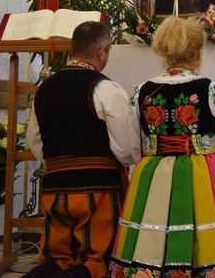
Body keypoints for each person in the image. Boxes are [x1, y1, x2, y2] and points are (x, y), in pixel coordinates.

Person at [108, 16, 215, 277]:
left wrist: (148, 163)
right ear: (199, 51)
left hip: (153, 177)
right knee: (209, 242)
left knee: (154, 242)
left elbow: (130, 149)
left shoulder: (141, 93)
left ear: (163, 51)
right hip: (210, 178)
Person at [24, 21, 140, 278]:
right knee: (96, 260)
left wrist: (58, 162)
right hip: (99, 192)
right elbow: (125, 148)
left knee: (57, 258)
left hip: (55, 188)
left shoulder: (43, 90)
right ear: (102, 52)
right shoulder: (105, 88)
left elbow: (34, 140)